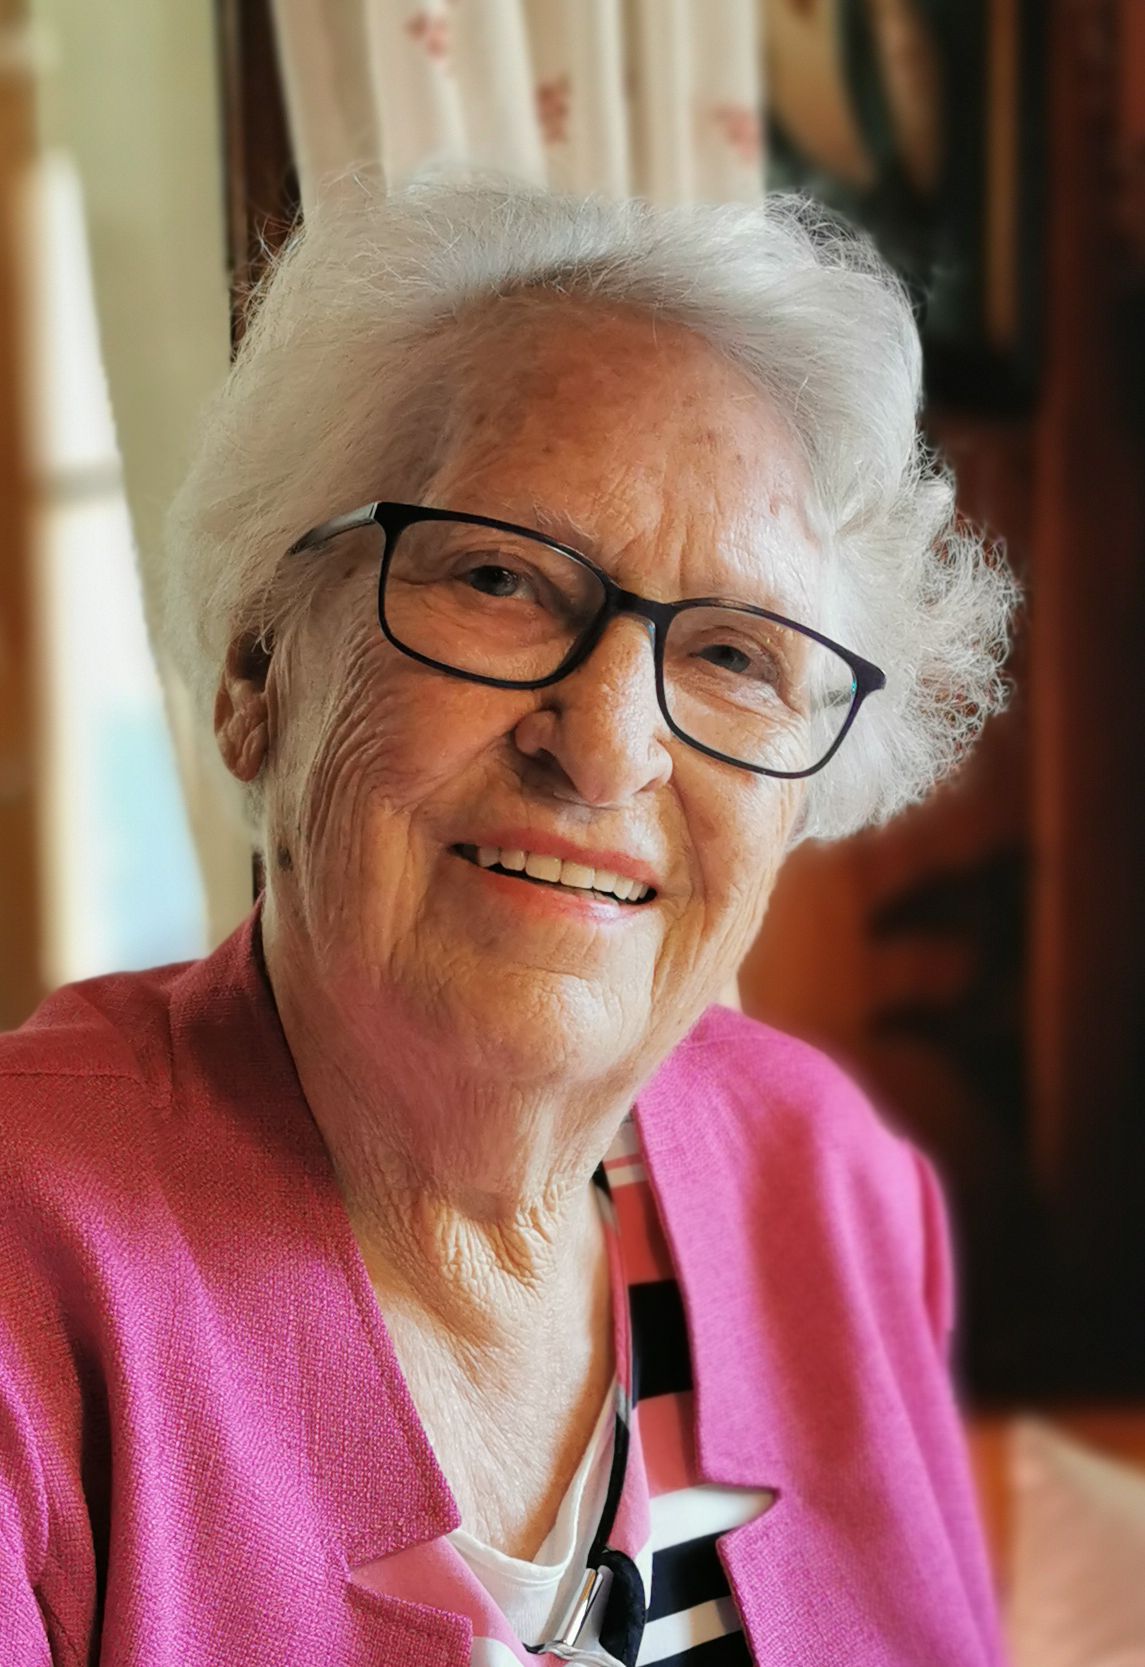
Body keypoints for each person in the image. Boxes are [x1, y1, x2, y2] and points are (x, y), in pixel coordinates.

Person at [0, 175, 1016, 1667]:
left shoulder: (833, 1182)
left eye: (735, 655)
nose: (604, 746)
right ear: (258, 674)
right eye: (499, 579)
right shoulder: (29, 1263)